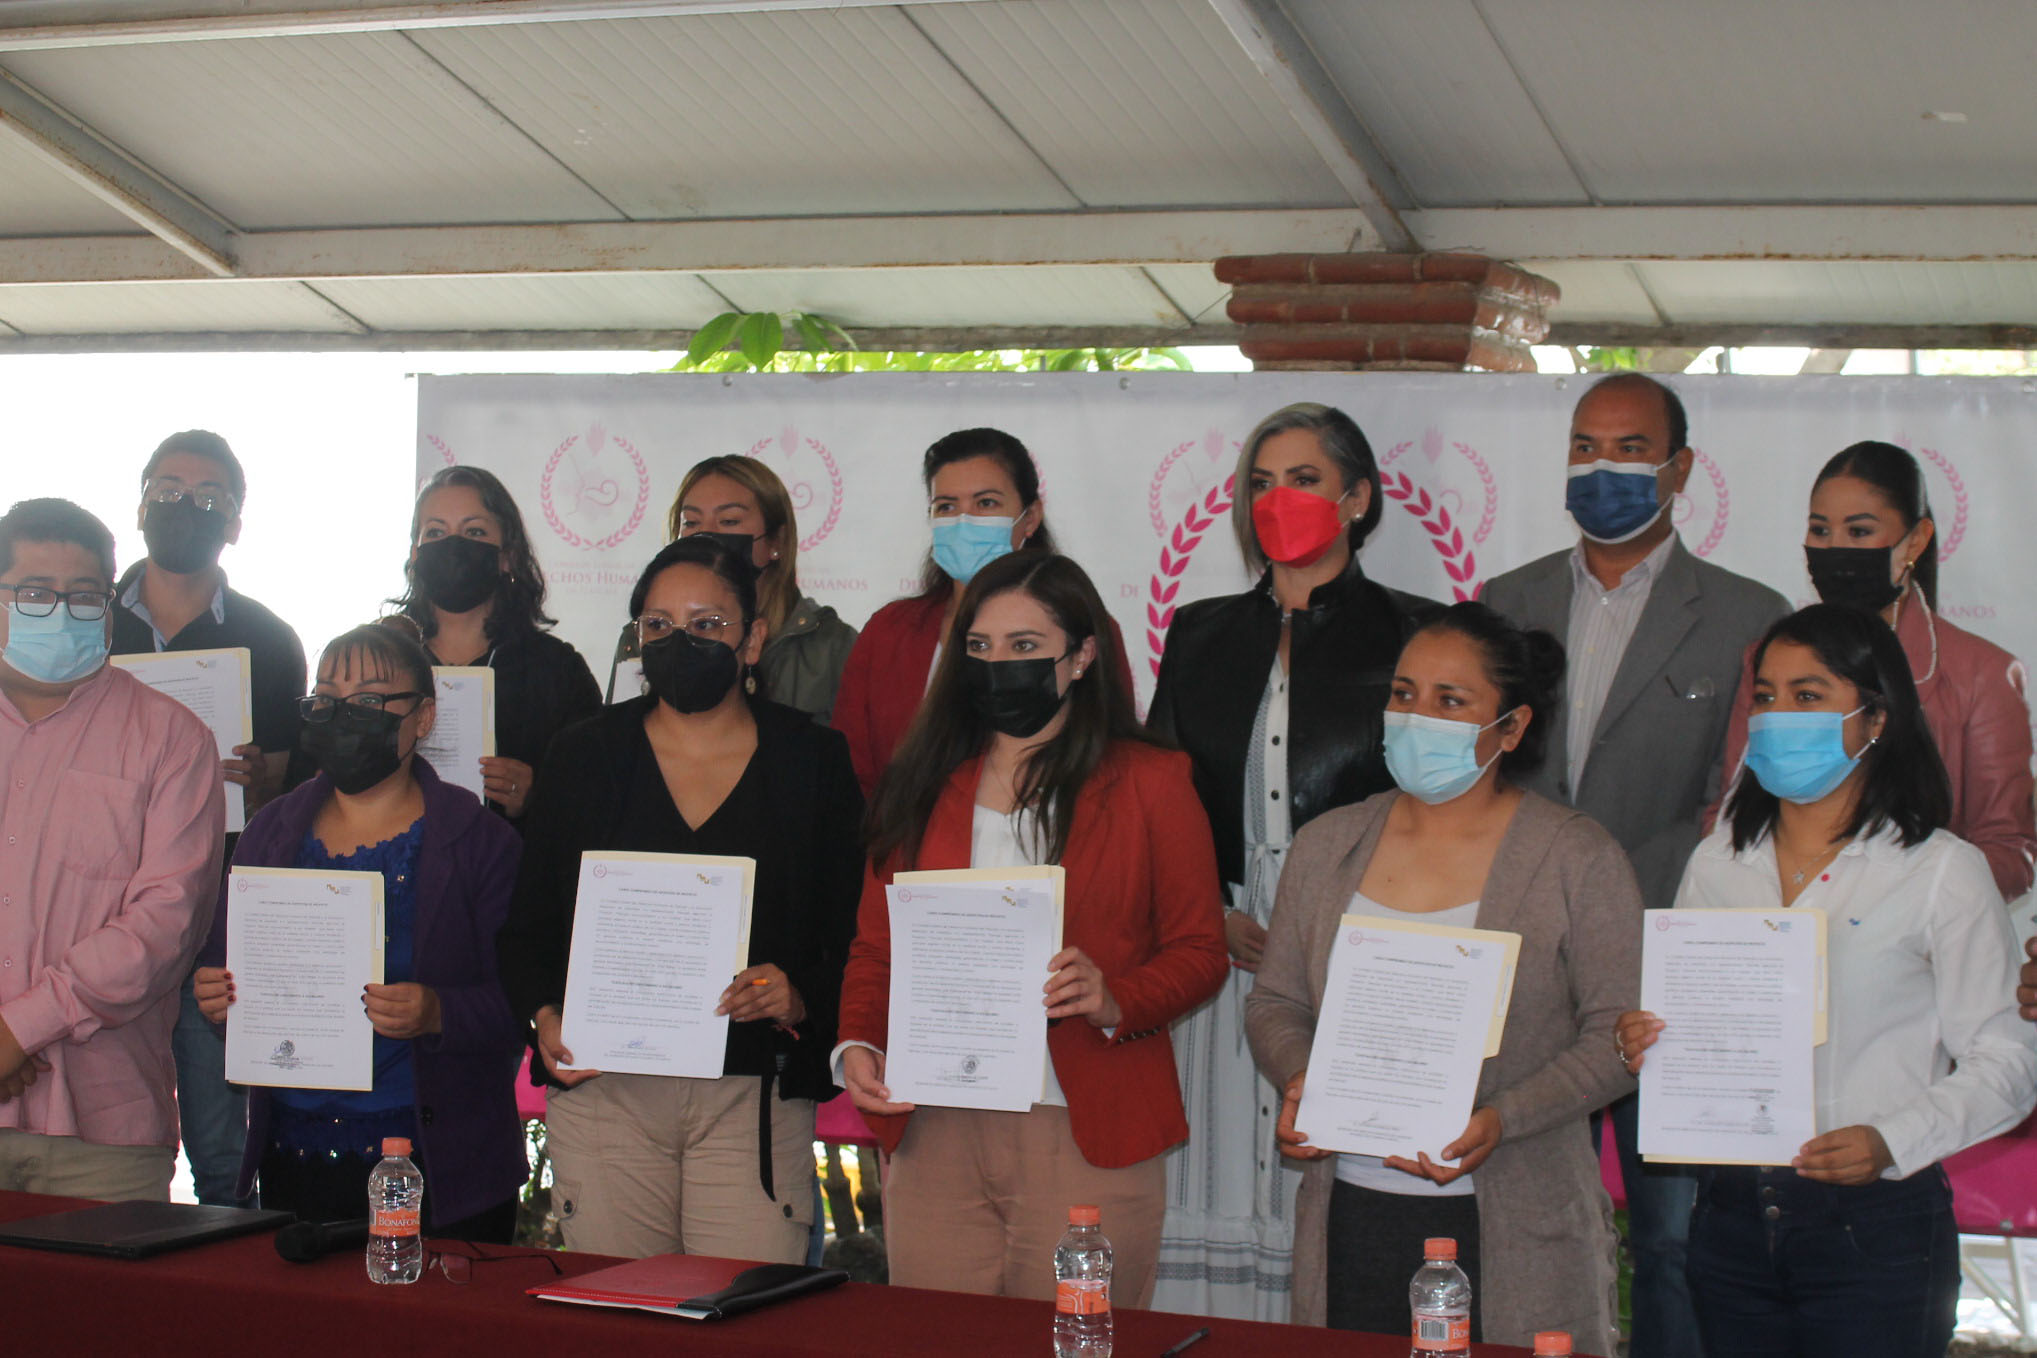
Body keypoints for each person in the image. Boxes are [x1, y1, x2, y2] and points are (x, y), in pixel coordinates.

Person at [1618, 604, 2037, 1358]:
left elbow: (2009, 1060)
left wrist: (1889, 1141)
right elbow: (1692, 1027)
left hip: (1875, 1226)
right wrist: (1648, 1039)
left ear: (1875, 718)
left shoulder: (1941, 871)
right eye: (1766, 697)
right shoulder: (1718, 861)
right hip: (1727, 1220)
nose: (1777, 716)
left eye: (1808, 696)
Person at [1479, 372, 1789, 1358]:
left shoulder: (1746, 615)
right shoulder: (1505, 601)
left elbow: (1740, 804)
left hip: (1668, 972)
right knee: (1526, 1220)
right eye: (1584, 446)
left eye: (1628, 449)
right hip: (1523, 970)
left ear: (1679, 468)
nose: (1600, 468)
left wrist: (1617, 905)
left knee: (1670, 1241)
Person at [836, 551, 1228, 1305]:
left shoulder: (1152, 781)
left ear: (1081, 656)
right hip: (936, 1123)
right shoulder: (920, 784)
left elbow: (1200, 950)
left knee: (1075, 1343)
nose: (997, 668)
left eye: (1024, 647)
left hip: (1083, 1123)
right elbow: (876, 949)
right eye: (979, 648)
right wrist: (858, 1041)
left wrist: (1116, 997)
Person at [1246, 602, 1637, 1353]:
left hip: (1516, 1220)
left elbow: (1616, 1036)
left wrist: (1503, 1117)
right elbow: (1276, 1001)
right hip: (1351, 1211)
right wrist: (1301, 1078)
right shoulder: (1328, 844)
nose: (1416, 718)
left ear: (1511, 729)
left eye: (1450, 701)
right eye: (1404, 694)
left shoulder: (1576, 856)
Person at [1144, 401, 1436, 1321]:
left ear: (1356, 499)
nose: (1278, 500)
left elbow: (1440, 807)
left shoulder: (1419, 633)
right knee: (1215, 1169)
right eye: (1262, 483)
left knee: (1329, 1173)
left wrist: (1331, 925)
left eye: (1304, 480)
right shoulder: (1198, 631)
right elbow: (1158, 797)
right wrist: (1204, 912)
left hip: (1361, 945)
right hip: (1219, 945)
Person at [497, 536, 864, 1260]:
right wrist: (545, 1015)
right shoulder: (583, 755)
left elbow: (852, 933)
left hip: (750, 1094)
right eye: (658, 625)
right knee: (618, 1310)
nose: (679, 642)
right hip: (608, 1092)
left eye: (706, 624)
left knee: (743, 1309)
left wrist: (799, 996)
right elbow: (528, 928)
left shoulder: (812, 761)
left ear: (752, 640)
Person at [193, 622, 526, 1239]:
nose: (344, 715)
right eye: (326, 699)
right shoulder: (270, 832)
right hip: (295, 1153)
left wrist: (438, 1012)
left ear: (423, 717)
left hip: (441, 1162)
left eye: (370, 699)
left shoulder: (480, 840)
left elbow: (519, 1002)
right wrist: (218, 997)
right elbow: (225, 970)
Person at [0, 498, 224, 1200]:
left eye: (84, 595)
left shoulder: (172, 738)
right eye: (35, 593)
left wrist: (15, 1032)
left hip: (104, 1136)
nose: (61, 612)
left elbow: (166, 926)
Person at [110, 429, 309, 1209]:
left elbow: (290, 794)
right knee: (105, 1153)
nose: (183, 507)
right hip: (99, 919)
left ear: (234, 523)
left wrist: (262, 782)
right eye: (166, 490)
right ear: (139, 507)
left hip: (215, 921)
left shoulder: (269, 639)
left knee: (225, 1161)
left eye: (206, 498)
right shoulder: (88, 619)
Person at [1718, 440, 2033, 902]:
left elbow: (2009, 849)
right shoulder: (1763, 660)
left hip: (1919, 933)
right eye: (1820, 530)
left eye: (1859, 531)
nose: (1835, 548)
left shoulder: (1982, 674)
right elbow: (1730, 812)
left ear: (1916, 540)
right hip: (1778, 918)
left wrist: (1893, 900)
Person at [832, 427, 1133, 796]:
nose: (964, 521)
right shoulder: (889, 630)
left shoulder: (1085, 627)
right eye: (946, 506)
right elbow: (850, 772)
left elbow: (1113, 758)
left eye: (986, 503)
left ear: (1030, 517)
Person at [391, 466, 600, 822]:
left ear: (508, 555)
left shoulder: (557, 670)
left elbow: (596, 797)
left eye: (474, 531)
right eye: (436, 532)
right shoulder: (382, 661)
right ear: (415, 554)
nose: (453, 546)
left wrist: (537, 797)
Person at [606, 455, 857, 719]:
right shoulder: (647, 634)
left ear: (777, 541)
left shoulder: (832, 647)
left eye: (729, 521)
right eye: (691, 522)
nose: (706, 535)